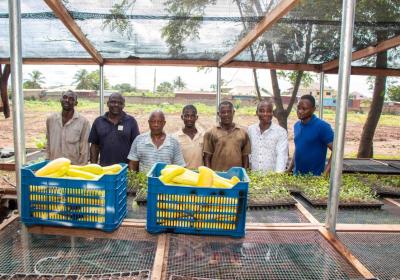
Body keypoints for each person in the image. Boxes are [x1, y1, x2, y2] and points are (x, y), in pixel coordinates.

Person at [287, 94, 334, 176]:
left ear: (313, 109)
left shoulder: (322, 126)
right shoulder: (296, 125)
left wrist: (325, 174)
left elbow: (336, 151)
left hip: (314, 178)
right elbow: (298, 149)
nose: (300, 111)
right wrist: (289, 169)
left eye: (304, 109)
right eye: (298, 108)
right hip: (296, 176)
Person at [89, 93, 139, 166]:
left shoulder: (131, 121)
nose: (116, 105)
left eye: (120, 103)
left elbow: (136, 146)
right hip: (104, 168)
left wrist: (132, 170)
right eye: (113, 102)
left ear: (123, 105)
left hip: (125, 169)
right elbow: (94, 146)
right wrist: (93, 165)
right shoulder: (98, 121)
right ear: (108, 103)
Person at [203, 101, 251, 171]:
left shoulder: (243, 133)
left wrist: (244, 173)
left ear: (233, 113)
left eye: (229, 112)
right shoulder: (210, 133)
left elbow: (245, 156)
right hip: (217, 175)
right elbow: (207, 157)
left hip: (236, 175)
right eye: (223, 112)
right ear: (218, 114)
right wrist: (210, 174)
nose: (226, 114)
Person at [46, 90, 90, 165]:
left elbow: (84, 149)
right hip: (53, 166)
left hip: (73, 167)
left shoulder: (83, 122)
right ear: (60, 100)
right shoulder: (51, 119)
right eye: (65, 97)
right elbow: (48, 143)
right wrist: (47, 160)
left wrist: (81, 167)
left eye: (71, 99)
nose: (67, 100)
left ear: (76, 103)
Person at [248, 101, 288, 172]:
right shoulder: (251, 130)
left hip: (272, 178)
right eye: (262, 111)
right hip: (253, 175)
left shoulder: (281, 132)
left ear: (272, 113)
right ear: (257, 112)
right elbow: (248, 152)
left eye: (269, 111)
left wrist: (277, 177)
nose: (265, 114)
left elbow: (282, 156)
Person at [173, 105, 204, 169]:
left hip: (199, 175)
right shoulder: (175, 137)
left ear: (196, 117)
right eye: (186, 116)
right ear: (182, 117)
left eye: (192, 116)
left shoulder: (203, 135)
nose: (189, 119)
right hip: (183, 175)